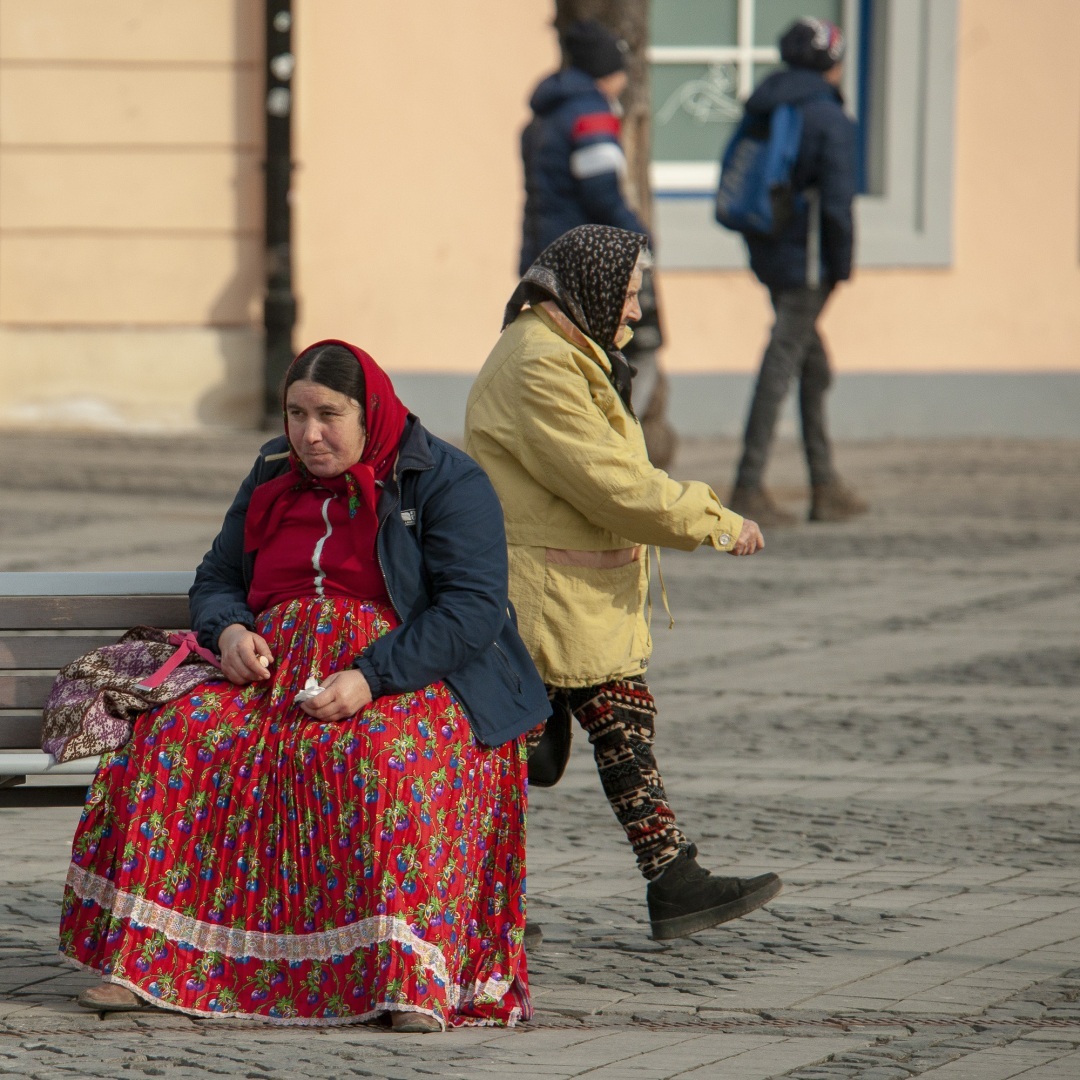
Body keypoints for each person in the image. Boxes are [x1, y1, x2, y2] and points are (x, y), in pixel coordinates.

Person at [60, 340, 549, 1031]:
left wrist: (371, 678)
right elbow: (219, 576)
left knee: (385, 758)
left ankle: (403, 973)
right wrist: (230, 631)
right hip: (273, 674)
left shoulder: (444, 480)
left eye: (329, 415)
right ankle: (151, 961)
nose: (309, 434)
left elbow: (470, 609)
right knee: (175, 739)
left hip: (408, 670)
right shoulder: (271, 469)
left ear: (368, 409)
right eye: (295, 413)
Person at [465, 225, 783, 941]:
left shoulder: (567, 353)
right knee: (508, 756)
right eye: (630, 296)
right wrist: (712, 520)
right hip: (548, 598)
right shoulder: (539, 365)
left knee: (615, 726)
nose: (635, 314)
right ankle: (492, 903)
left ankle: (670, 879)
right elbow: (609, 482)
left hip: (574, 595)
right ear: (591, 290)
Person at [727, 17, 869, 526]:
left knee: (812, 362)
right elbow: (836, 204)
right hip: (808, 260)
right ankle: (748, 484)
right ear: (833, 63)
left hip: (769, 252)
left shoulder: (765, 103)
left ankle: (825, 483)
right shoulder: (828, 118)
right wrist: (842, 264)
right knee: (784, 358)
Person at [519, 18, 675, 467]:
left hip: (544, 255)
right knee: (635, 347)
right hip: (590, 262)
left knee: (561, 355)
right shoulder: (591, 114)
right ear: (609, 69)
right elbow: (603, 193)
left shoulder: (542, 117)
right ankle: (609, 450)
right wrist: (640, 242)